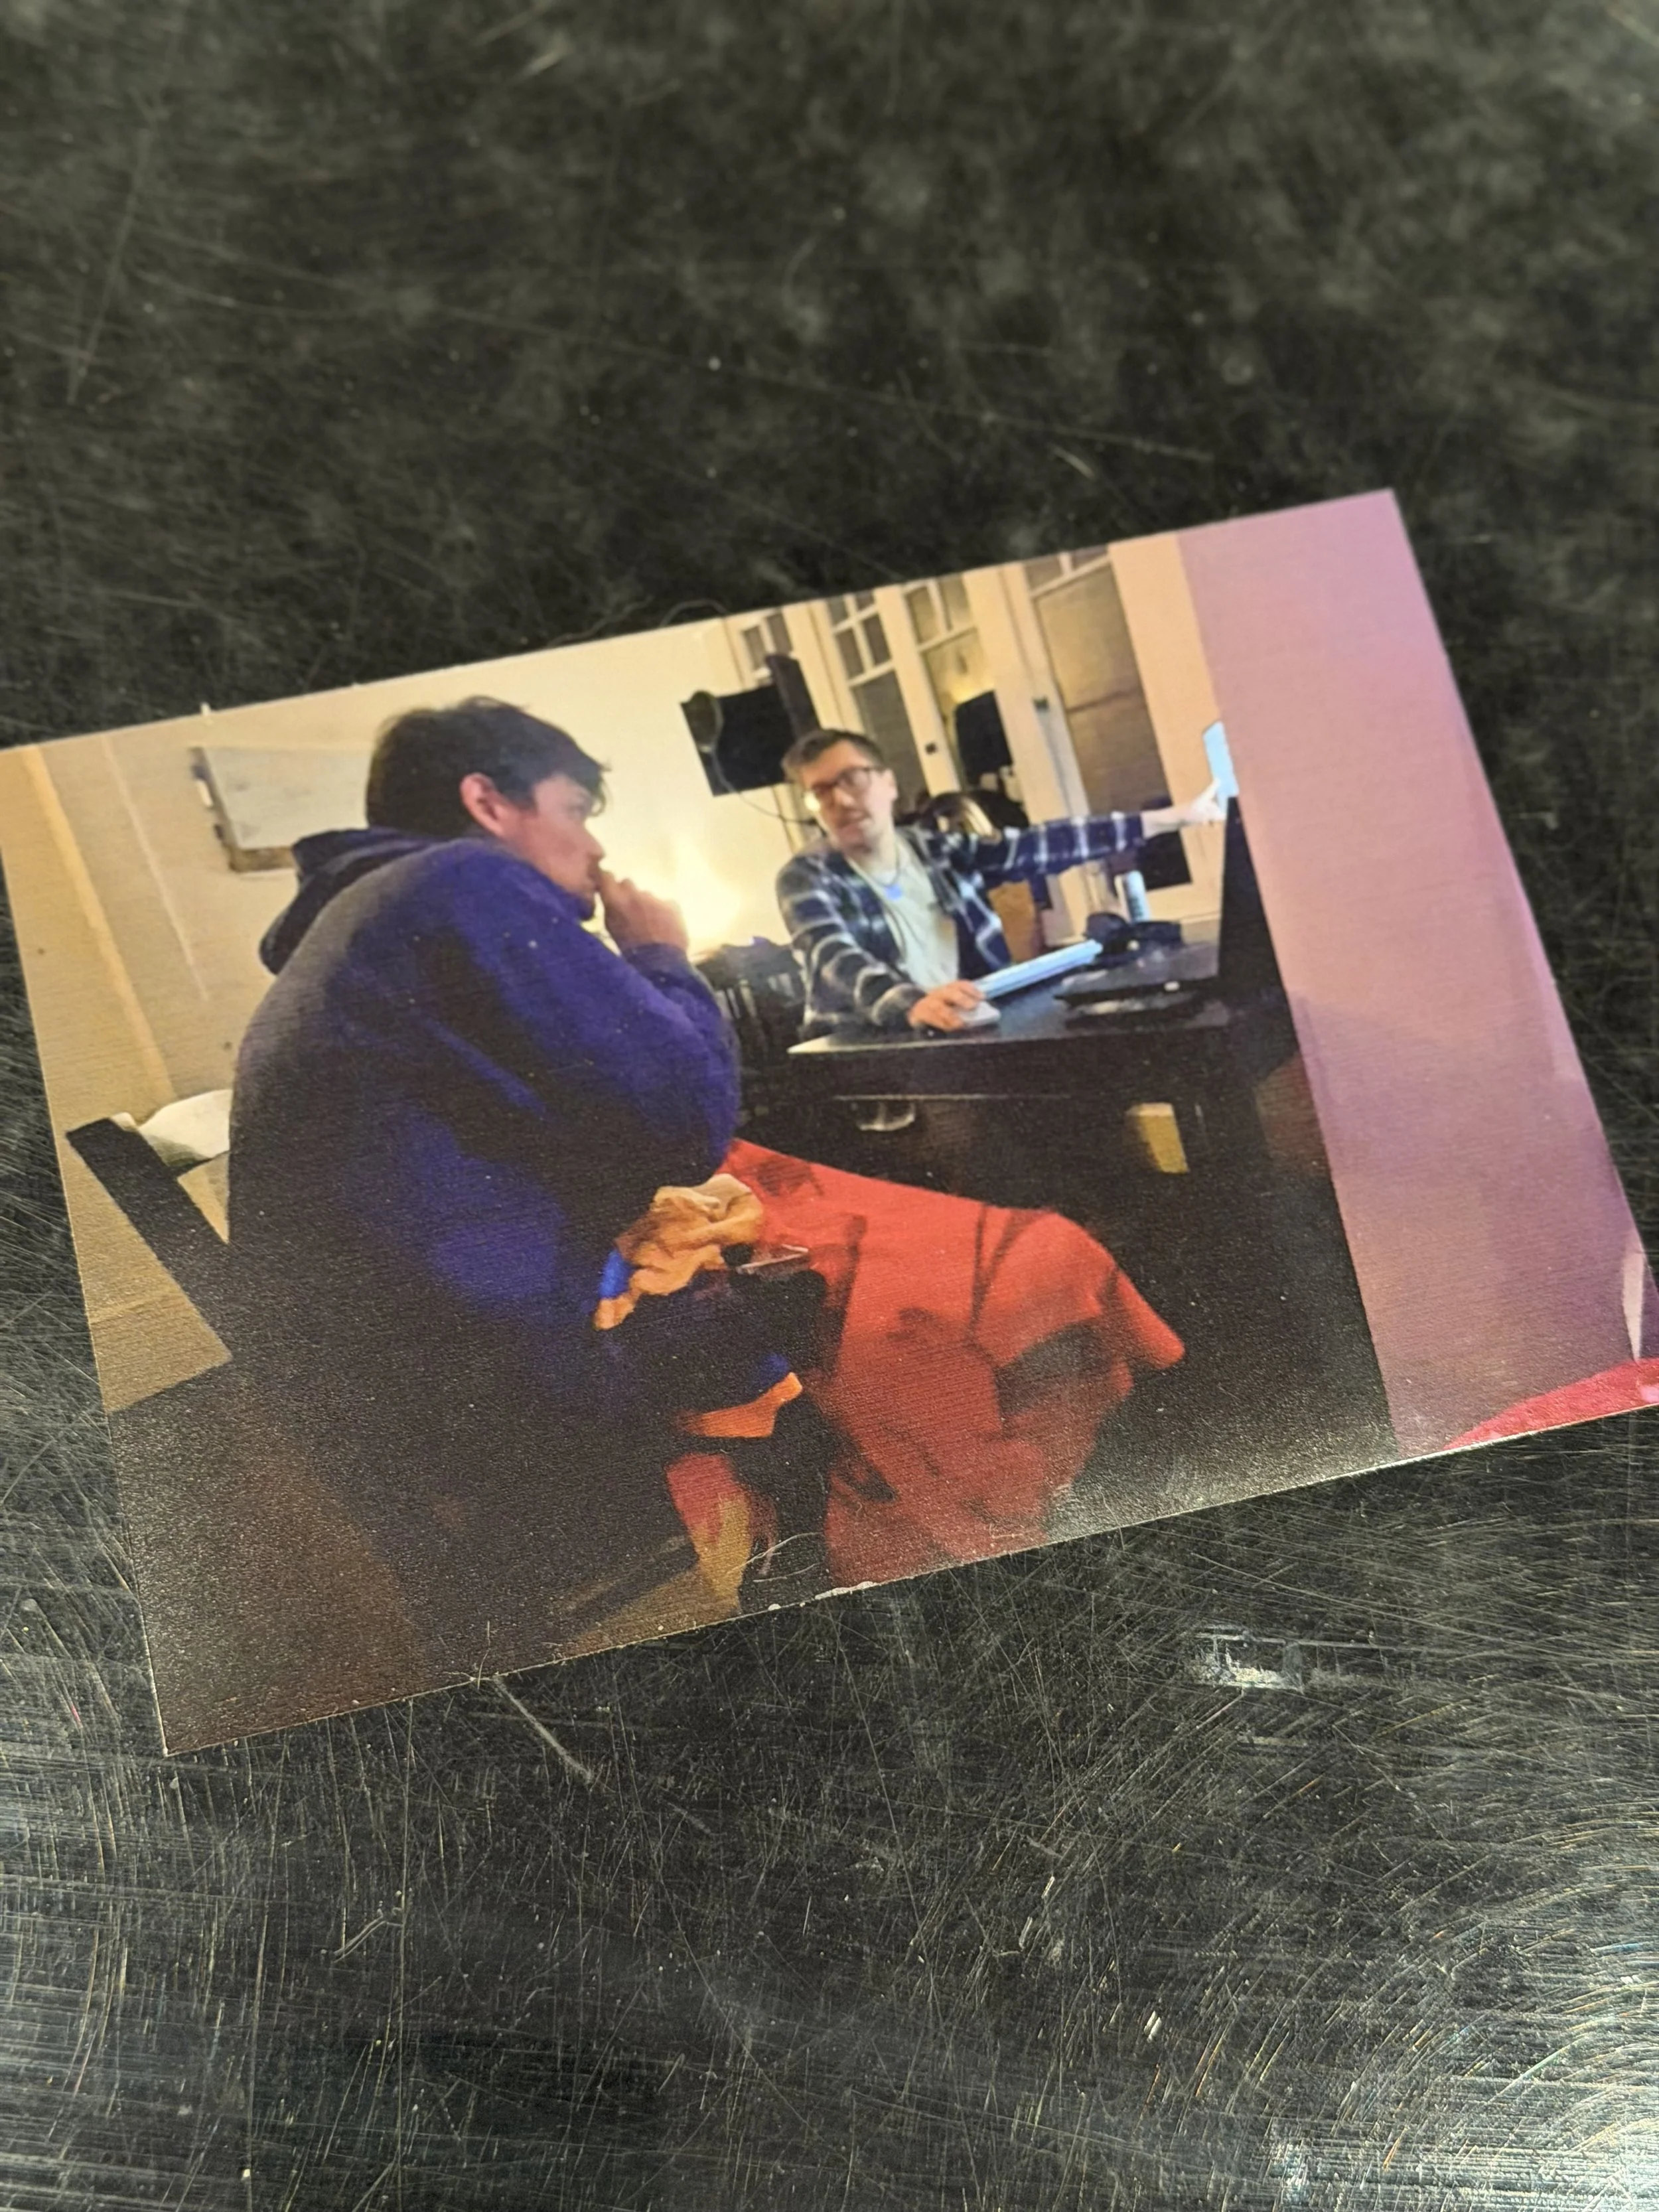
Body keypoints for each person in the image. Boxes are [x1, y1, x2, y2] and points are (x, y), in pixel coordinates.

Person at [230, 698, 832, 1674]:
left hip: (388, 1390)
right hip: (501, 1377)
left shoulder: (354, 926)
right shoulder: (465, 880)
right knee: (826, 1291)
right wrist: (659, 954)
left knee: (757, 1252)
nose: (593, 845)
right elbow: (684, 1124)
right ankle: (844, 1583)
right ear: (489, 801)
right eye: (577, 808)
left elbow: (576, 1130)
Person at [776, 728, 1225, 1034]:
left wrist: (1172, 818)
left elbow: (1042, 844)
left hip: (960, 1028)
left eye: (851, 778)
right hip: (872, 1061)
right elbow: (834, 956)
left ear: (889, 784)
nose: (838, 799)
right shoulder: (805, 877)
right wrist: (910, 1002)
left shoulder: (939, 850)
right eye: (820, 791)